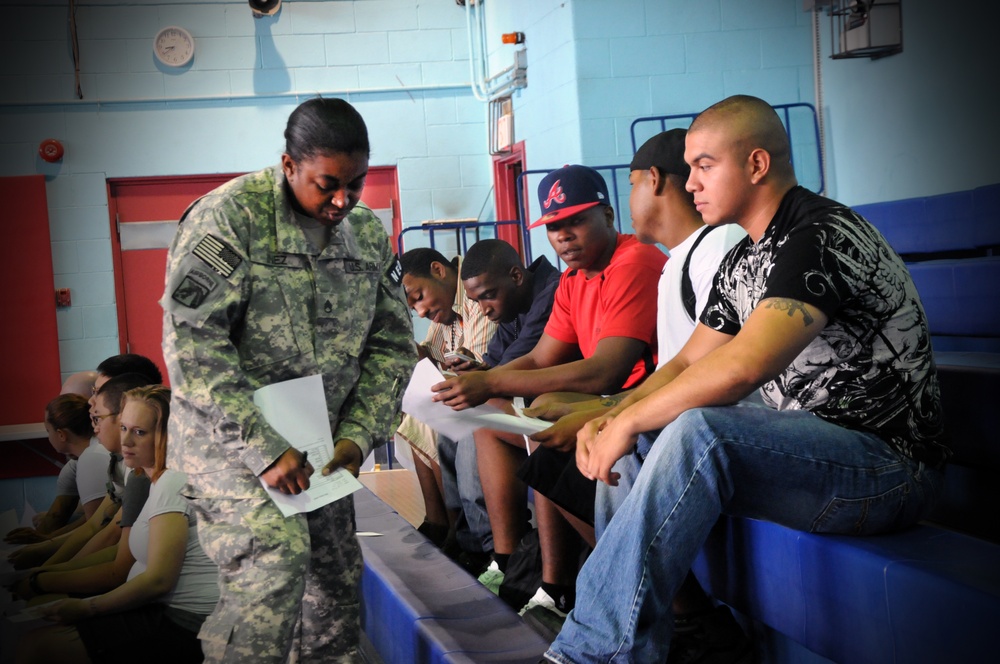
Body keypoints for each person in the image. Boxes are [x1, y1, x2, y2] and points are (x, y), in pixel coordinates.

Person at [543, 95, 950, 664]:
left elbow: (742, 367)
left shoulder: (821, 234)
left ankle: (593, 653)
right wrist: (614, 418)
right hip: (814, 458)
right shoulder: (744, 260)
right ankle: (632, 648)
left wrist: (626, 417)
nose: (690, 185)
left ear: (756, 165)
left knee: (699, 429)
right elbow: (686, 364)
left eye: (705, 166)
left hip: (888, 470)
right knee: (637, 444)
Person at [162, 96, 415, 663]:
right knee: (272, 565)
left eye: (356, 183)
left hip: (321, 445)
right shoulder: (230, 218)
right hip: (231, 446)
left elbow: (393, 344)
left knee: (333, 584)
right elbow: (193, 347)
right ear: (288, 165)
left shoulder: (366, 235)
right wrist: (264, 448)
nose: (343, 200)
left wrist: (358, 435)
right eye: (327, 184)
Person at [432, 165, 666, 624]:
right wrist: (481, 386)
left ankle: (581, 579)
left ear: (608, 213)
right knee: (494, 418)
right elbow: (541, 359)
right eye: (554, 226)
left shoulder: (633, 259)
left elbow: (605, 371)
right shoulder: (573, 279)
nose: (563, 236)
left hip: (639, 400)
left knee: (540, 423)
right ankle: (510, 563)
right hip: (607, 400)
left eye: (575, 221)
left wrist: (492, 380)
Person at [15, 385, 219, 664]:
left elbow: (159, 580)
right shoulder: (153, 478)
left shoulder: (173, 481)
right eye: (123, 427)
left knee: (36, 647)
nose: (126, 441)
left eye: (139, 432)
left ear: (169, 435)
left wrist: (87, 608)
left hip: (185, 622)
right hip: (164, 611)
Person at [435, 239, 561, 571]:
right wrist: (476, 372)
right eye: (476, 301)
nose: (484, 309)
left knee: (480, 412)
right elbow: (497, 363)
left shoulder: (551, 293)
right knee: (447, 420)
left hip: (561, 399)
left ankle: (492, 547)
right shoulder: (512, 304)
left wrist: (484, 380)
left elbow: (526, 362)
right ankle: (465, 534)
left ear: (516, 276)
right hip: (531, 395)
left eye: (488, 296)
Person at [395, 247, 497, 551]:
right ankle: (438, 519)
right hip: (478, 390)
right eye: (413, 308)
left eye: (418, 297)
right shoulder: (445, 310)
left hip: (496, 394)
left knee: (428, 409)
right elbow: (429, 356)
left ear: (439, 270)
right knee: (411, 404)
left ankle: (453, 525)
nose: (421, 312)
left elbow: (475, 368)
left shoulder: (475, 295)